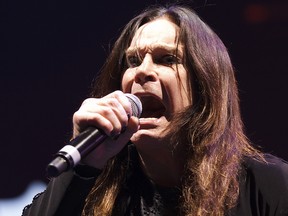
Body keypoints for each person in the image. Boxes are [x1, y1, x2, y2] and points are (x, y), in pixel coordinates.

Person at [22, 4, 288, 216]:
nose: (142, 71)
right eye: (133, 61)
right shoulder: (98, 186)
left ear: (206, 85)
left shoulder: (268, 186)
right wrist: (84, 167)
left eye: (167, 59)